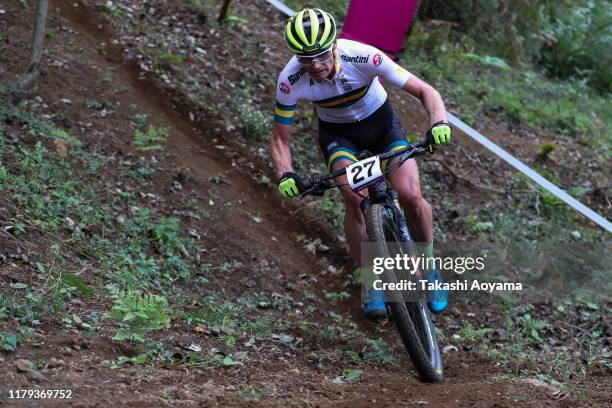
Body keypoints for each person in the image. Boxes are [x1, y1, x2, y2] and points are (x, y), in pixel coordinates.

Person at [269, 8, 450, 319]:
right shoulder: (290, 79)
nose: (314, 65)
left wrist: (438, 122)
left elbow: (425, 91)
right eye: (305, 58)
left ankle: (429, 266)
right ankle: (371, 281)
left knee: (409, 196)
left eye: (321, 55)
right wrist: (285, 173)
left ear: (335, 45)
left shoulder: (364, 57)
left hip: (382, 128)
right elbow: (279, 139)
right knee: (354, 200)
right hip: (339, 137)